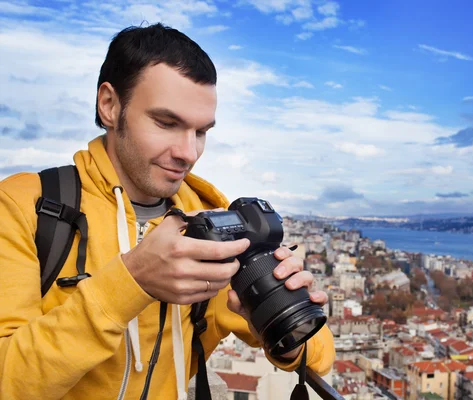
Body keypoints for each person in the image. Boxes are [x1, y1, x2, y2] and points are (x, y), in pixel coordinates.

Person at [0, 23, 335, 399]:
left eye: (201, 132)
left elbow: (318, 356)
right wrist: (130, 283)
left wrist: (282, 317)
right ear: (110, 105)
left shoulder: (211, 220)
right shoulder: (27, 207)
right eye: (166, 123)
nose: (188, 153)